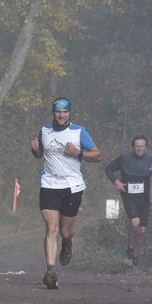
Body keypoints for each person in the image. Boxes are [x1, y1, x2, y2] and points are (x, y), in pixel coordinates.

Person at [31, 98, 101, 289]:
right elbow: (40, 155)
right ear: (53, 113)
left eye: (65, 112)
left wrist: (78, 153)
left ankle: (67, 243)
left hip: (72, 186)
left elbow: (97, 155)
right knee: (51, 227)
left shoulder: (79, 132)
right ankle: (51, 271)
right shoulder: (44, 131)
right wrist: (35, 150)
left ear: (69, 113)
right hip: (49, 185)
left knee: (64, 231)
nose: (61, 115)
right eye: (58, 112)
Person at [104, 136, 152, 267]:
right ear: (133, 147)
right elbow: (108, 169)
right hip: (129, 197)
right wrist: (116, 182)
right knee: (135, 222)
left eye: (142, 146)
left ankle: (134, 259)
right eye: (137, 146)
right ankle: (129, 249)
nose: (140, 148)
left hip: (144, 199)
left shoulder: (150, 160)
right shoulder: (124, 158)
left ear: (145, 147)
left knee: (142, 231)